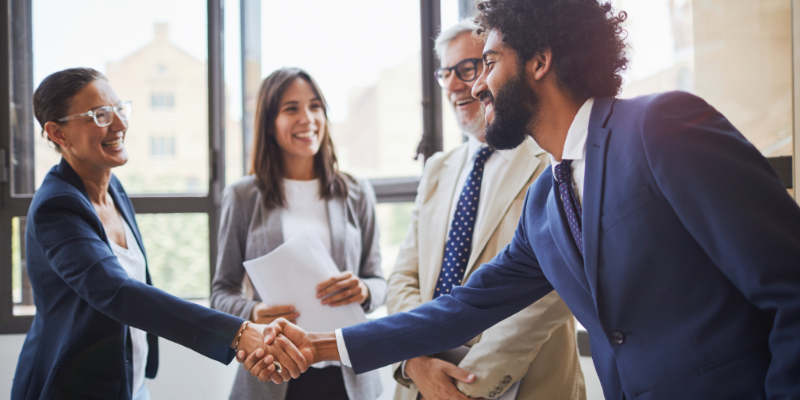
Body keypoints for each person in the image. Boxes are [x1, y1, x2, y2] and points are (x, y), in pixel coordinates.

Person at [243, 1, 800, 398]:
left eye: (487, 62)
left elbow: (790, 284)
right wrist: (319, 346)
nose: (476, 86)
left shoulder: (661, 126)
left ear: (539, 61)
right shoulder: (545, 202)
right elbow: (460, 308)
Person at [12, 68, 305, 400]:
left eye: (119, 109)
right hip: (70, 389)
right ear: (58, 134)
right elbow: (117, 293)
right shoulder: (58, 207)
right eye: (100, 115)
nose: (120, 125)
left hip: (129, 384)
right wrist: (238, 333)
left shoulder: (113, 190)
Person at [386, 20, 584, 400]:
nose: (458, 85)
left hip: (522, 386)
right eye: (446, 73)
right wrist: (414, 360)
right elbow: (403, 278)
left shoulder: (549, 157)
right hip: (423, 383)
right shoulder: (437, 170)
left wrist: (466, 382)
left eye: (469, 68)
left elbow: (555, 289)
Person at [210, 67, 385, 400]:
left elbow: (378, 281)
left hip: (347, 373)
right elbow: (221, 292)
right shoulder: (243, 196)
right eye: (291, 108)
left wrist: (364, 290)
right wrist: (253, 312)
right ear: (269, 124)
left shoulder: (357, 191)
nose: (307, 118)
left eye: (315, 106)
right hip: (274, 374)